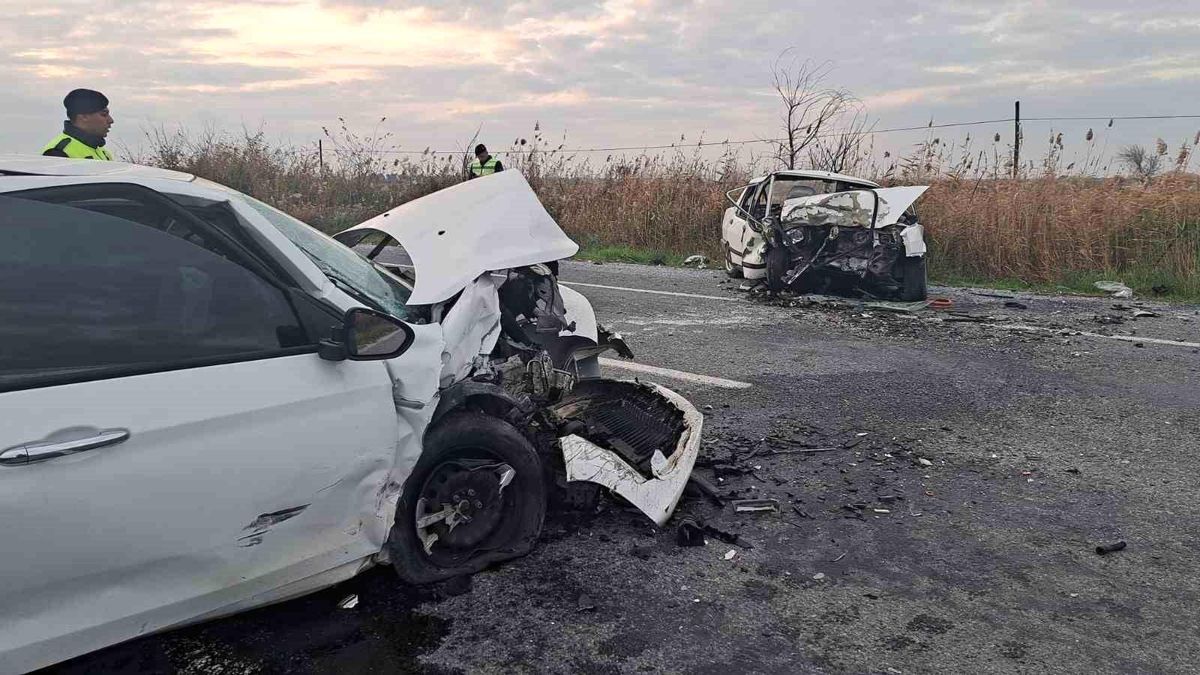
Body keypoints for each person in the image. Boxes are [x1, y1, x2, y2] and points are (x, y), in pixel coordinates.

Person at [42, 89, 114, 160]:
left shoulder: (104, 153)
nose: (111, 120)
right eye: (104, 114)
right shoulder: (57, 152)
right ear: (84, 116)